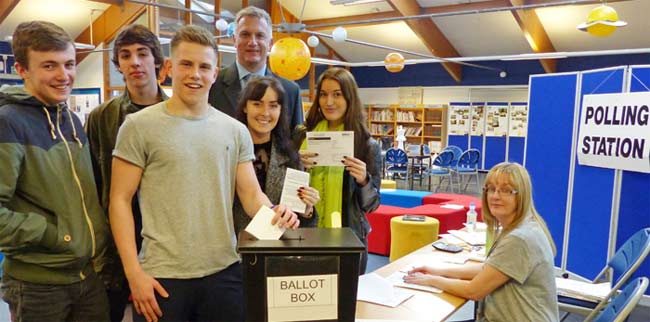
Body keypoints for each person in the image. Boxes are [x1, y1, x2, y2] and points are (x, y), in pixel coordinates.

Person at [109, 25, 299, 322]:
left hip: (224, 272)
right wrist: (134, 273)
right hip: (162, 276)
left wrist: (275, 212)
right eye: (186, 64)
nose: (195, 74)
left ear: (215, 73)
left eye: (204, 67)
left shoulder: (235, 131)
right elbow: (120, 200)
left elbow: (250, 194)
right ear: (170, 68)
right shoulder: (138, 126)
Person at [0, 21, 109, 321]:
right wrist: (54, 236)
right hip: (37, 285)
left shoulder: (71, 121)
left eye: (70, 64)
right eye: (49, 66)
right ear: (22, 70)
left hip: (86, 277)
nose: (64, 76)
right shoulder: (8, 122)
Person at [85, 23, 168, 322]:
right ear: (118, 64)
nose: (134, 62)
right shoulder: (101, 118)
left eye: (142, 53)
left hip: (163, 237)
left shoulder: (178, 112)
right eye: (125, 55)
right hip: (115, 241)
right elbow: (92, 180)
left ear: (157, 60)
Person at [404, 162, 559, 322]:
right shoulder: (524, 225)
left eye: (506, 190)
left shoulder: (519, 239)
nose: (495, 196)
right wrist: (437, 270)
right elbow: (489, 269)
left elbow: (473, 291)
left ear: (521, 195)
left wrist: (431, 280)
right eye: (491, 189)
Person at [296, 67, 382, 274]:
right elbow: (285, 189)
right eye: (323, 95)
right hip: (304, 234)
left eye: (337, 94)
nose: (329, 102)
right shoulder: (302, 137)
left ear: (350, 97)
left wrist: (363, 181)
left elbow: (372, 205)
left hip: (348, 239)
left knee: (345, 301)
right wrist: (297, 165)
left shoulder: (366, 144)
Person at [233, 76, 319, 235]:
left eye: (273, 106)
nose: (265, 113)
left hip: (277, 249)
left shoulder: (291, 156)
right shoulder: (229, 151)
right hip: (234, 247)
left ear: (281, 110)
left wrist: (307, 209)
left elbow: (301, 223)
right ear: (245, 107)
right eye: (257, 104)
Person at [208, 6, 303, 130]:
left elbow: (296, 143)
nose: (252, 42)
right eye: (245, 34)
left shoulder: (290, 92)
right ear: (235, 40)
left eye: (259, 35)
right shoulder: (212, 85)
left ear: (270, 43)